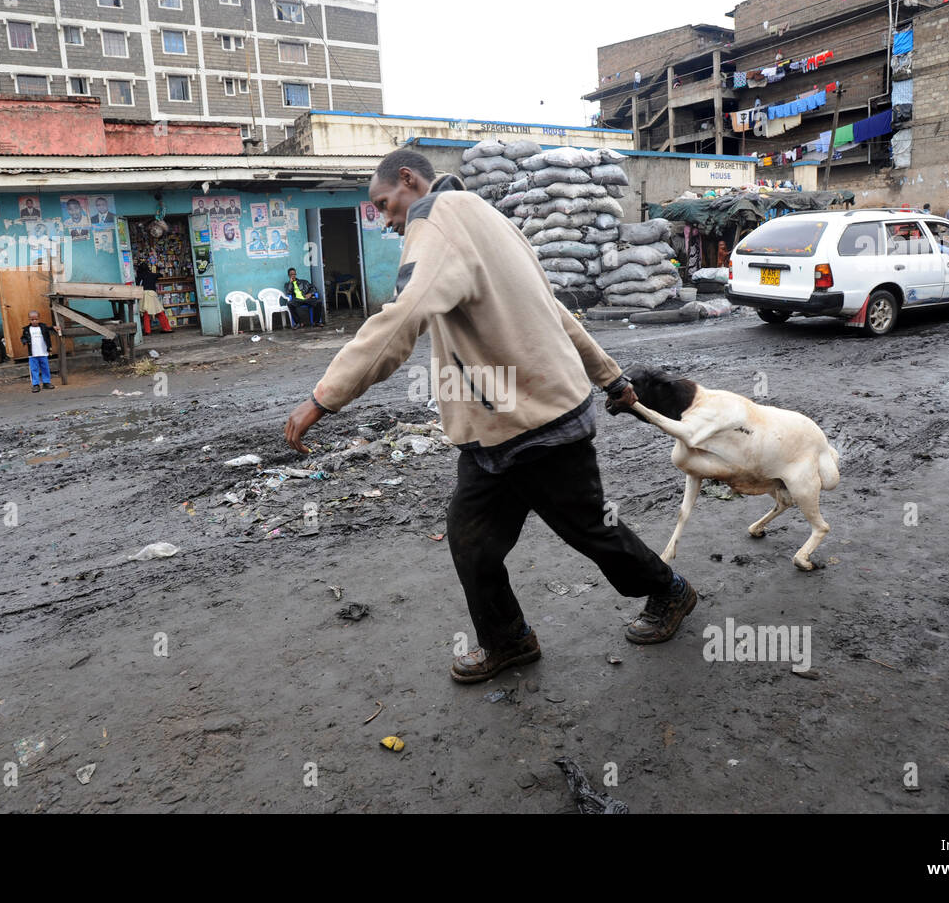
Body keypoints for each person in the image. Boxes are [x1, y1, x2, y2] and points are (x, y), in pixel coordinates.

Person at [283, 149, 696, 684]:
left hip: (536, 423)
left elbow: (401, 317)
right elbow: (552, 310)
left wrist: (323, 397)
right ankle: (508, 642)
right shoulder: (484, 214)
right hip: (494, 429)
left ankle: (670, 592)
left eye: (385, 204)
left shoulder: (435, 220)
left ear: (409, 180)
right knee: (471, 538)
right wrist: (610, 377)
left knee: (590, 529)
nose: (385, 219)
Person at [20, 310, 60, 392]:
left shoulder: (43, 327)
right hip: (33, 354)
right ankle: (35, 384)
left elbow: (49, 328)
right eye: (32, 319)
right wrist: (24, 341)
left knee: (45, 368)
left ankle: (46, 383)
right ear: (29, 320)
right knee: (34, 369)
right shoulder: (27, 329)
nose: (34, 321)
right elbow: (23, 337)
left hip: (43, 352)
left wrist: (54, 327)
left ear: (39, 319)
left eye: (36, 319)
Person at [135, 260, 174, 334]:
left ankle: (147, 331)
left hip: (144, 295)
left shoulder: (139, 276)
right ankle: (167, 328)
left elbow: (137, 285)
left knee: (146, 313)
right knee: (159, 312)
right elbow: (160, 275)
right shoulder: (152, 275)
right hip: (152, 294)